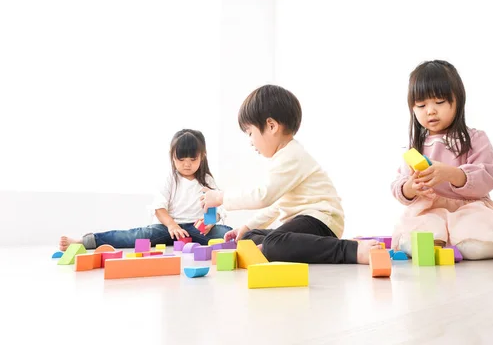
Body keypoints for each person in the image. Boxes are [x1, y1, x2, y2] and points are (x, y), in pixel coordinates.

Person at [200, 84, 380, 264]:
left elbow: (263, 197)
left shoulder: (292, 155)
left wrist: (221, 198)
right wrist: (249, 226)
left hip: (320, 220)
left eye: (250, 133)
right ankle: (274, 247)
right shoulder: (283, 158)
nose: (250, 141)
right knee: (250, 236)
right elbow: (278, 204)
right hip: (304, 222)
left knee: (273, 243)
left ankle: (351, 250)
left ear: (271, 126)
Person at [391, 60, 493, 260]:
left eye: (439, 102)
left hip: (469, 208)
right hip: (430, 210)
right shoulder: (414, 147)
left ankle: (463, 245)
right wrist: (410, 187)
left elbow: (488, 177)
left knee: (477, 238)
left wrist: (451, 173)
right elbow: (399, 184)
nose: (430, 110)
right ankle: (437, 245)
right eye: (421, 105)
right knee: (423, 230)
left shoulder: (475, 139)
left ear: (457, 101)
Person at [58, 129, 231, 250]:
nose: (187, 164)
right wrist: (172, 225)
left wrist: (210, 221)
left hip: (196, 227)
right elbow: (159, 207)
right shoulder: (170, 178)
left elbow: (215, 206)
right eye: (181, 159)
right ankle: (85, 240)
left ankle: (255, 240)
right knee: (135, 235)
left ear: (202, 156)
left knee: (227, 233)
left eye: (193, 159)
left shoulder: (207, 180)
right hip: (168, 227)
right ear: (173, 156)